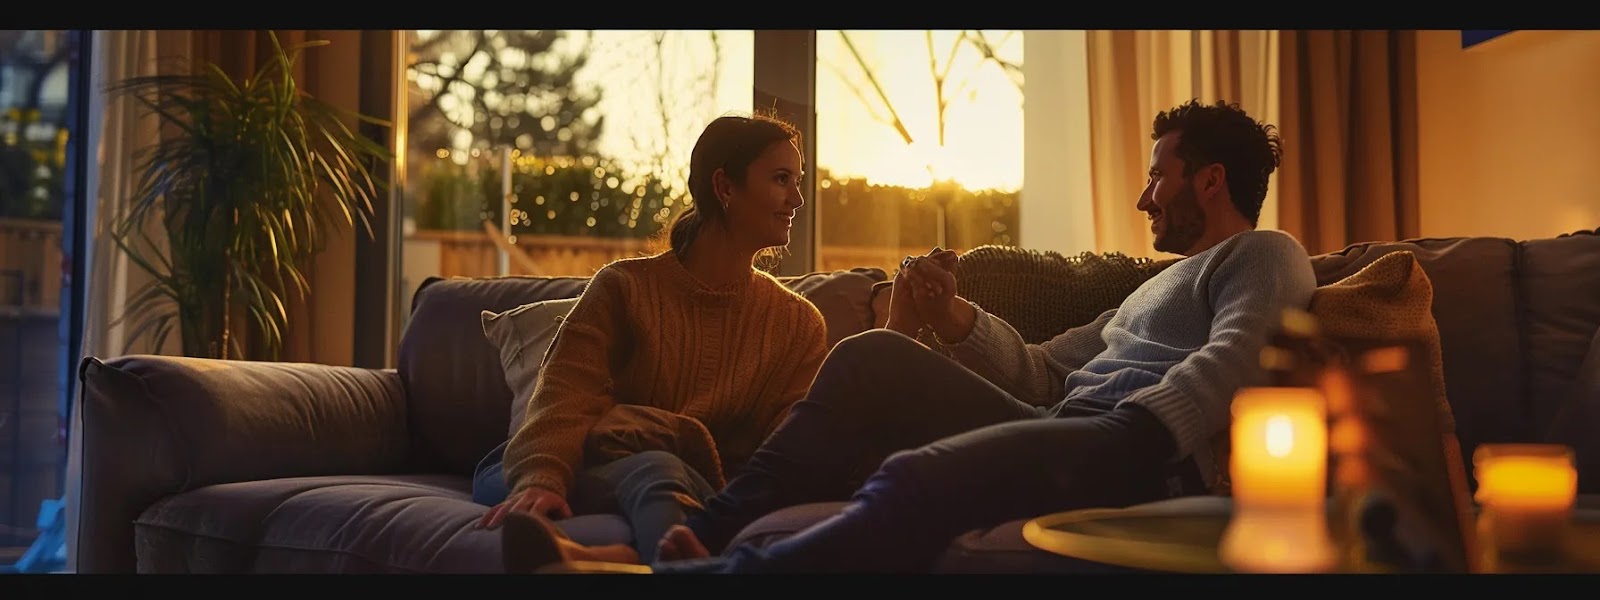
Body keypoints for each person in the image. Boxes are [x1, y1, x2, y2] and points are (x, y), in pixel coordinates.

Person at [502, 98, 1319, 573]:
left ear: (1208, 182)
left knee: (914, 476)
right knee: (869, 357)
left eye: (1158, 176)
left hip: (1137, 451)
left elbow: (1245, 352)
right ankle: (690, 540)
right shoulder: (1150, 291)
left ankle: (696, 574)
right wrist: (954, 317)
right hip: (1071, 429)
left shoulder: (1266, 255)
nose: (1145, 197)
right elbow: (1040, 373)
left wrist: (1140, 430)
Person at [474, 112, 830, 566]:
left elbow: (787, 448)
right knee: (658, 468)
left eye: (797, 181)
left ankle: (607, 560)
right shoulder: (624, 287)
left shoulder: (798, 325)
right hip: (557, 459)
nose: (797, 199)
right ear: (724, 187)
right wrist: (540, 476)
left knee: (662, 470)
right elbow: (567, 391)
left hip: (689, 480)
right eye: (782, 179)